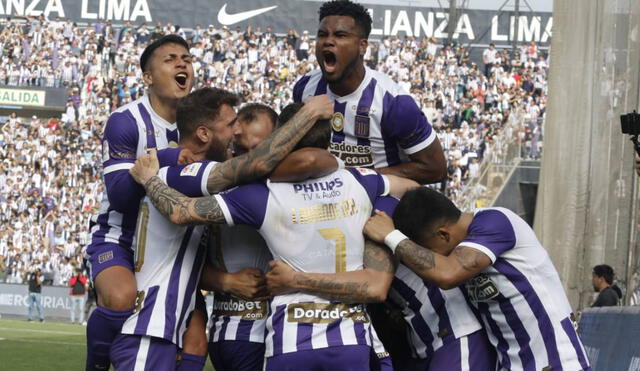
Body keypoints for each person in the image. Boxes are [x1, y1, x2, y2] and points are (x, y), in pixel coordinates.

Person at [128, 103, 416, 370]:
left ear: (283, 138)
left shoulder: (261, 194)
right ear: (330, 140)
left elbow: (180, 212)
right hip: (350, 338)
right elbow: (412, 188)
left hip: (289, 340)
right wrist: (383, 218)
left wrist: (149, 179)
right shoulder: (363, 181)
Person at [112, 89, 334, 370]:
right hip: (168, 330)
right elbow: (257, 164)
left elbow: (192, 260)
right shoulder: (195, 178)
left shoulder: (209, 182)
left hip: (191, 333)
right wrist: (309, 114)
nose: (237, 132)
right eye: (232, 127)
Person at [364, 187, 591, 371]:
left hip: (558, 361)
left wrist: (391, 236)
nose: (435, 259)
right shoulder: (465, 249)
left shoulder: (496, 222)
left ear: (444, 234)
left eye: (432, 251)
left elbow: (447, 273)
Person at [86, 34, 196, 370]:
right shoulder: (127, 120)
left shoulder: (198, 123)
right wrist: (165, 156)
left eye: (187, 59)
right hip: (121, 236)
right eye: (171, 59)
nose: (183, 63)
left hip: (174, 245)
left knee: (197, 339)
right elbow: (119, 195)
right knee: (120, 300)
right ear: (147, 77)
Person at [293, 0, 446, 184]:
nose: (328, 42)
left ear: (362, 46)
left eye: (340, 35)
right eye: (322, 35)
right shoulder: (305, 87)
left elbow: (435, 169)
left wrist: (358, 178)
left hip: (378, 203)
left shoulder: (394, 103)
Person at [373, 196, 496, 370]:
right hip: (423, 343)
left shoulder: (379, 206)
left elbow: (374, 289)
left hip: (453, 334)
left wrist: (391, 236)